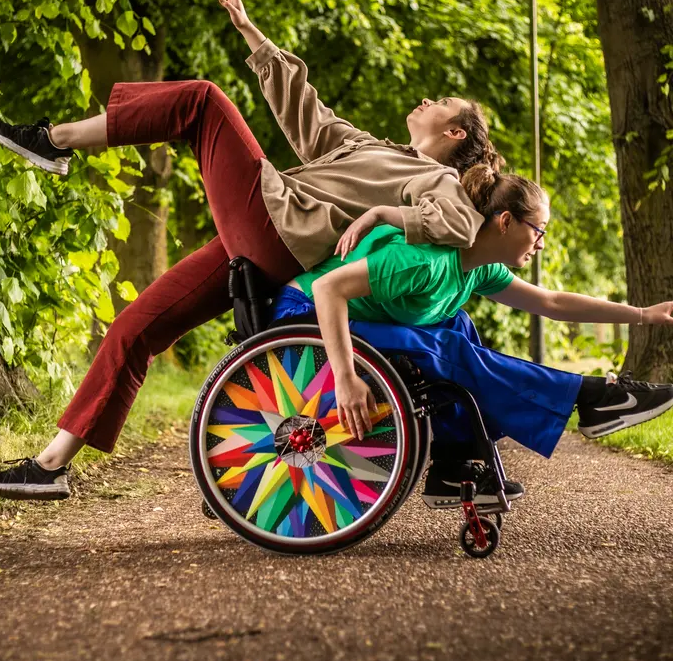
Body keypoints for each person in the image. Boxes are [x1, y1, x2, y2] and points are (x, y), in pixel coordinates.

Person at [0, 0, 503, 500]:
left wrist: (388, 214)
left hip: (281, 227)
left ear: (454, 133)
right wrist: (253, 34)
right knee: (137, 325)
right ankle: (50, 465)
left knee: (202, 102)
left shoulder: (438, 178)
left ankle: (54, 141)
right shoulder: (373, 147)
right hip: (262, 238)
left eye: (443, 102)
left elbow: (461, 226)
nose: (429, 99)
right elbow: (307, 114)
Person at [266, 164, 673, 509]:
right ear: (506, 221)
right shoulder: (424, 260)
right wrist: (345, 376)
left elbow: (552, 302)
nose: (541, 244)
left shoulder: (477, 267)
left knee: (457, 325)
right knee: (447, 347)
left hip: (342, 315)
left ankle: (453, 462)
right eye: (539, 231)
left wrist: (641, 314)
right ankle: (591, 396)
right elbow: (327, 290)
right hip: (303, 315)